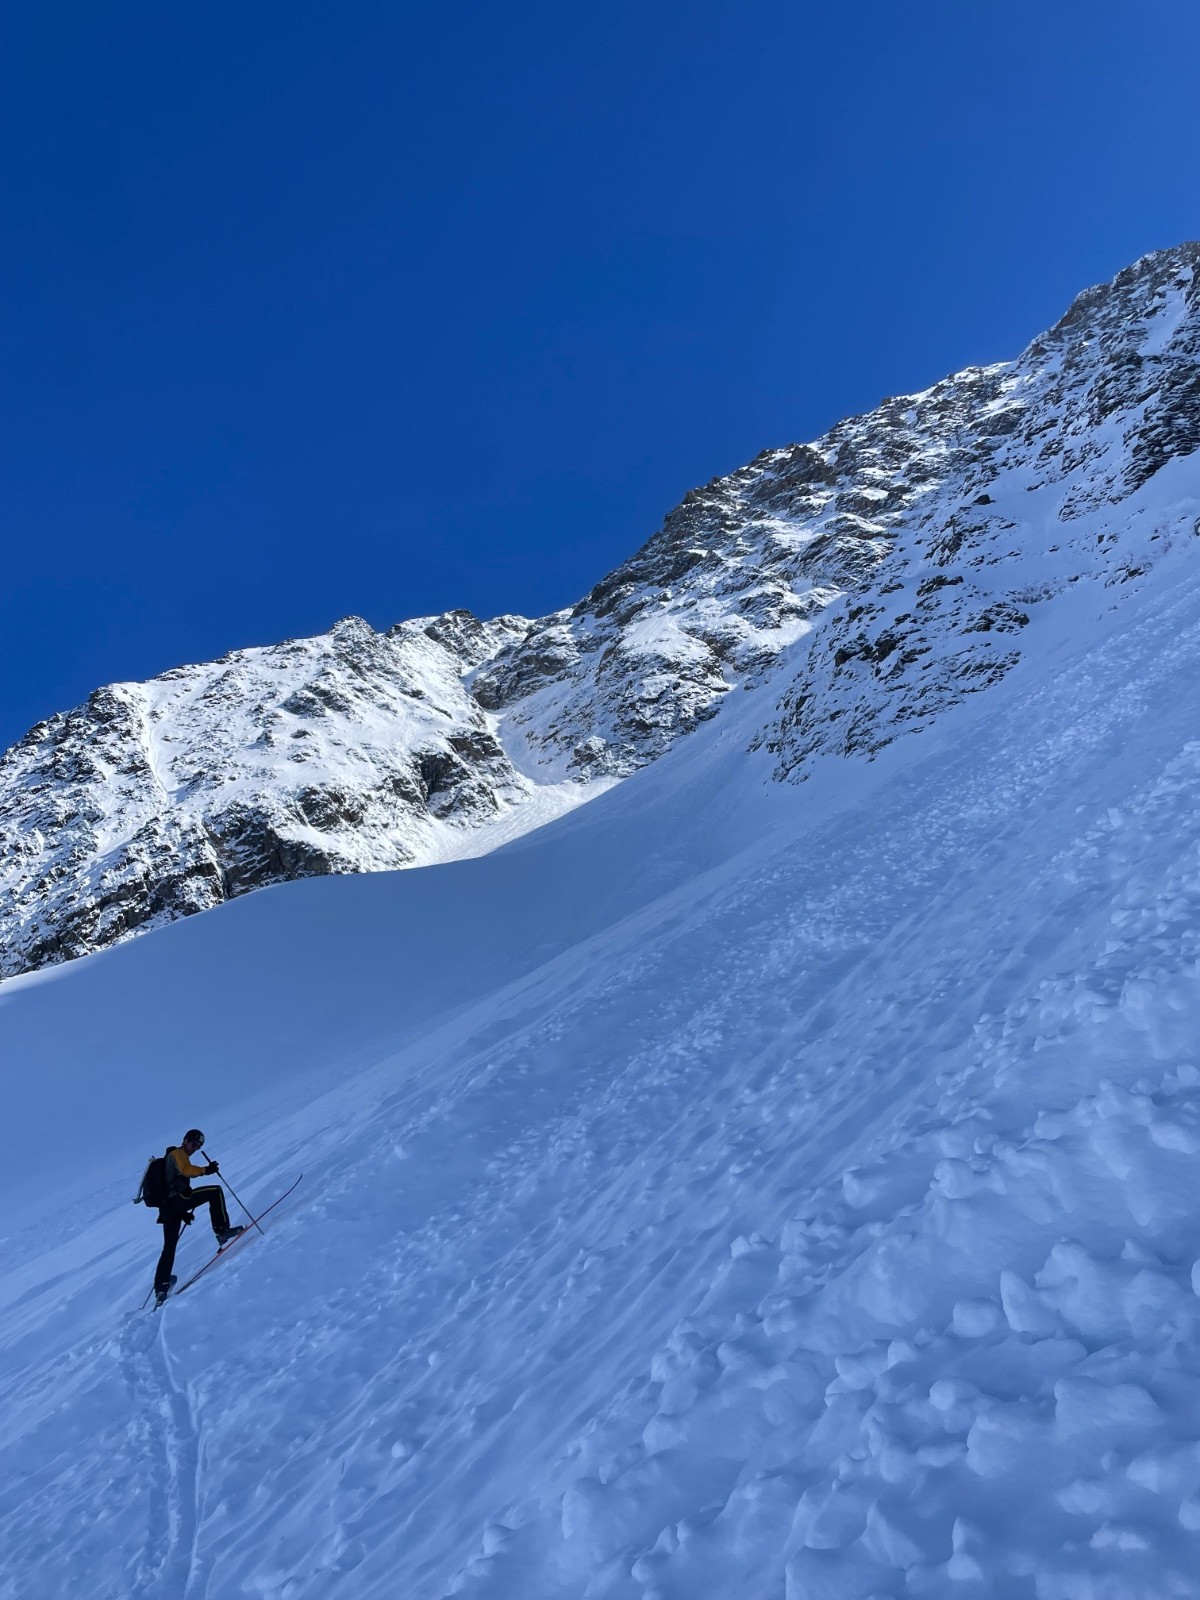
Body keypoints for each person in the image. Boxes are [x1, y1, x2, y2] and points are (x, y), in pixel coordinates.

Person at [154, 1128, 245, 1304]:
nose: (195, 1148)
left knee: (169, 1246)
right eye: (194, 1144)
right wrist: (206, 1170)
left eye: (198, 1146)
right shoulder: (178, 1153)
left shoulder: (171, 1158)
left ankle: (161, 1287)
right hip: (177, 1201)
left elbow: (175, 1181)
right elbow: (187, 1170)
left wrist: (182, 1213)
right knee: (215, 1191)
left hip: (167, 1208)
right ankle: (222, 1231)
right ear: (185, 1141)